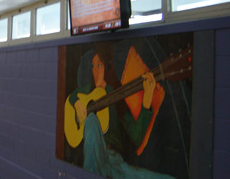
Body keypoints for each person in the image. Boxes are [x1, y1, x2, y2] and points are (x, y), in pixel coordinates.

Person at [67, 48, 173, 179]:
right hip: (94, 156)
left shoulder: (116, 95)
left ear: (107, 68)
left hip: (114, 162)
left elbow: (136, 136)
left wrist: (146, 101)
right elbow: (72, 97)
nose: (95, 71)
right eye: (93, 66)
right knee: (91, 119)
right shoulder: (88, 91)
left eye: (99, 65)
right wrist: (77, 104)